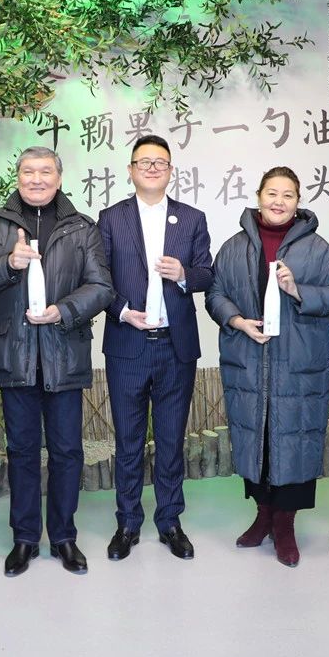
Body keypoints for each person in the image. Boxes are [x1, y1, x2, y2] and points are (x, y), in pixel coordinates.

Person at [0, 146, 114, 577]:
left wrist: (62, 311)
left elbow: (101, 286)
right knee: (22, 451)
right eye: (28, 171)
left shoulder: (82, 226)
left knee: (67, 452)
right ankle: (25, 538)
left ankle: (64, 536)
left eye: (45, 171)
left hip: (64, 353)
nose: (36, 178)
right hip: (15, 354)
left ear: (59, 178)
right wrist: (8, 264)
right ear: (18, 177)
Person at [205, 167, 329, 566]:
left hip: (298, 364)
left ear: (298, 201)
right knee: (257, 440)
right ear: (259, 196)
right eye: (272, 193)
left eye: (288, 195)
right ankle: (262, 516)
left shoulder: (316, 248)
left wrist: (297, 290)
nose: (279, 201)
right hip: (249, 362)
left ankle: (284, 525)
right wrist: (237, 320)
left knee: (295, 441)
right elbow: (215, 292)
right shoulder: (235, 246)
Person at [96, 135, 214, 562]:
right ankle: (128, 522)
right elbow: (97, 279)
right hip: (127, 345)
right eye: (143, 161)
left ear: (170, 171)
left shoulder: (191, 218)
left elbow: (207, 274)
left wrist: (184, 274)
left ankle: (169, 522)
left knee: (170, 440)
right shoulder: (110, 218)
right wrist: (122, 311)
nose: (151, 168)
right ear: (130, 170)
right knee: (128, 442)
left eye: (159, 162)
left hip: (174, 347)